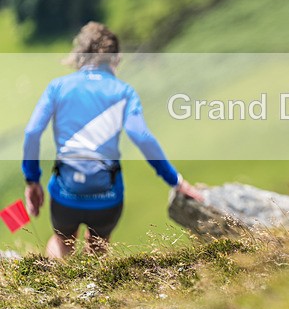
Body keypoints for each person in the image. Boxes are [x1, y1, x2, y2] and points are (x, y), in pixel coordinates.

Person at [22, 22, 203, 258]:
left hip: (65, 195)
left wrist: (32, 181)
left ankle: (53, 288)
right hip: (107, 198)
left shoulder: (58, 87)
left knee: (61, 241)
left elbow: (32, 132)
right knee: (98, 246)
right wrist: (176, 181)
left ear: (79, 56)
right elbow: (141, 136)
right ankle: (92, 290)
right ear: (116, 59)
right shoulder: (124, 92)